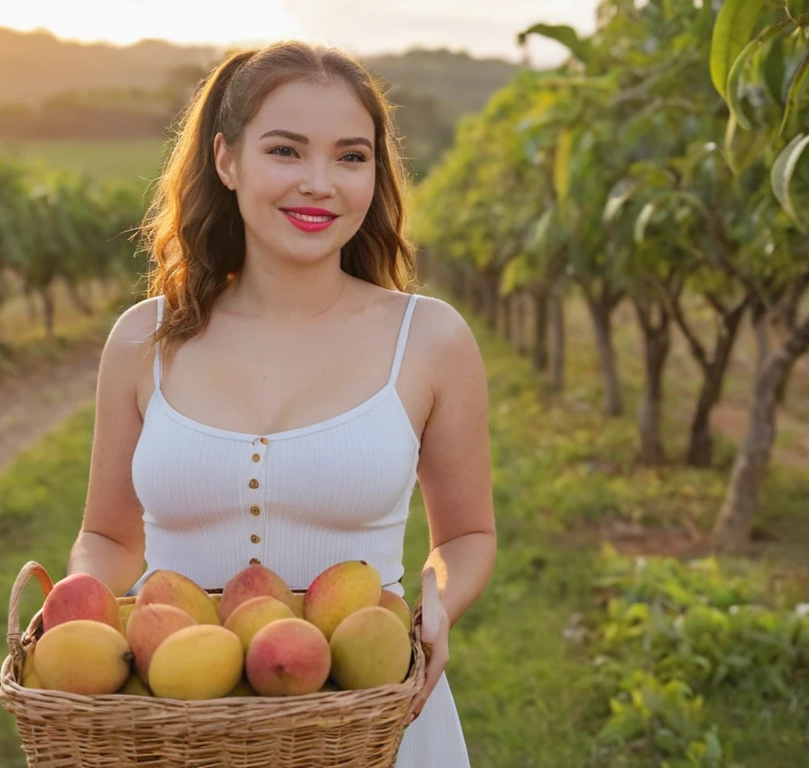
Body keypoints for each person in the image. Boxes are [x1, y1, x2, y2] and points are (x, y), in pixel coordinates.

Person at [68, 40, 496, 767]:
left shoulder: (427, 339)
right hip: (180, 718)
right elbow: (109, 539)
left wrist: (431, 610)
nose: (320, 183)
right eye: (287, 151)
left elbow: (467, 537)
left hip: (369, 717)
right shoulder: (145, 339)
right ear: (227, 160)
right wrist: (76, 612)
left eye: (351, 157)